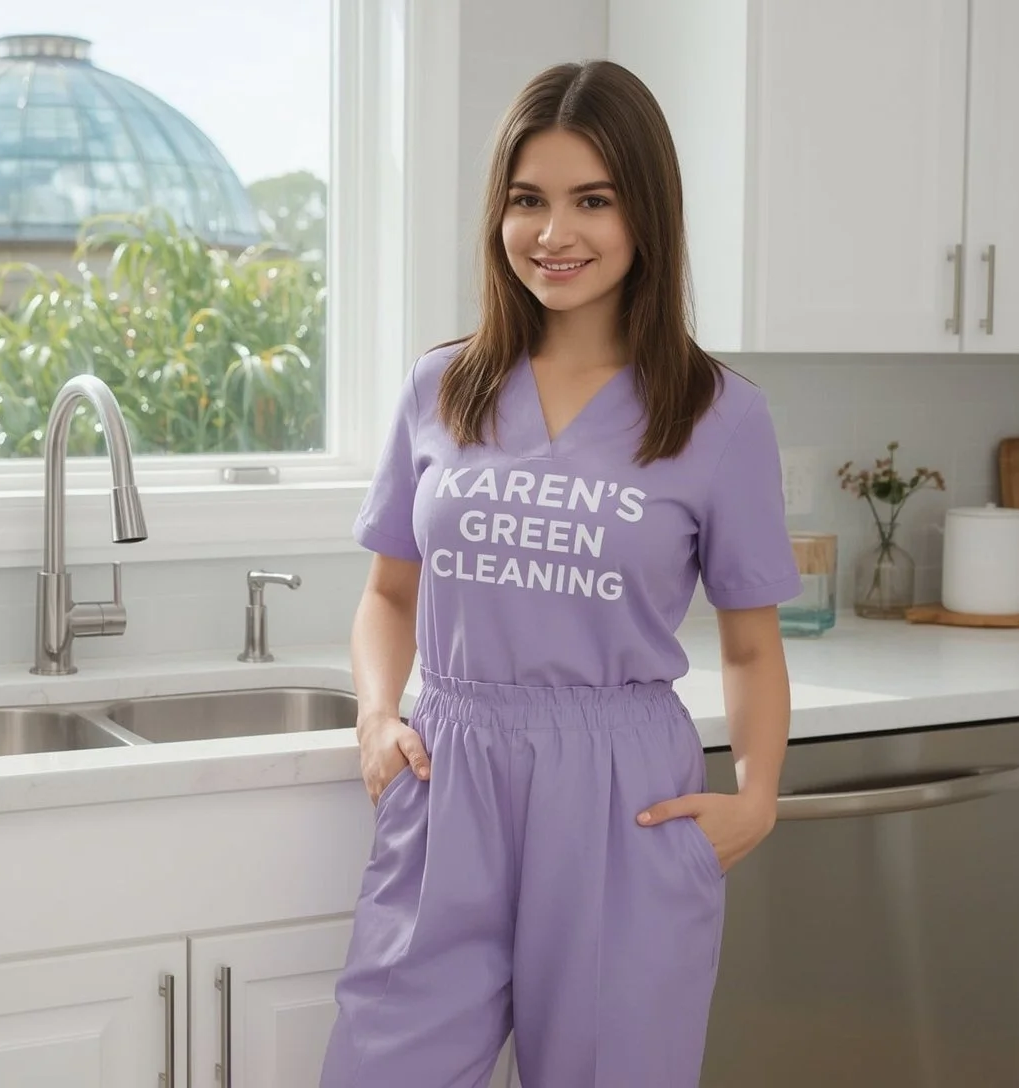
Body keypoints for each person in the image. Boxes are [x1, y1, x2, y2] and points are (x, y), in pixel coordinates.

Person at [319, 59, 797, 1088]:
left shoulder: (720, 415)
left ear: (646, 215)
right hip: (449, 773)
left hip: (619, 794)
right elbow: (388, 593)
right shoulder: (439, 388)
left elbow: (752, 641)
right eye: (528, 200)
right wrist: (373, 716)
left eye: (593, 200)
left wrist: (757, 797)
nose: (553, 233)